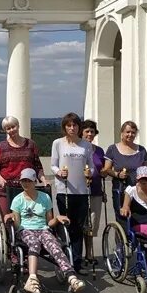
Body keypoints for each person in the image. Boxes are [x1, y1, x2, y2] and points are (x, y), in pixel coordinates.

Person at [4, 168, 85, 293]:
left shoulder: (45, 197)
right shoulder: (17, 200)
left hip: (43, 229)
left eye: (28, 181)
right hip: (25, 230)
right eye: (23, 181)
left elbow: (49, 222)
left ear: (35, 181)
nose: (25, 183)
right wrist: (11, 217)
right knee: (34, 243)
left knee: (55, 246)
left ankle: (72, 278)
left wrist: (57, 218)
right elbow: (18, 225)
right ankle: (32, 279)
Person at [50, 112, 94, 273]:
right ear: (64, 127)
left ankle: (76, 262)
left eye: (75, 125)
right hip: (64, 190)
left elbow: (91, 166)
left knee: (79, 228)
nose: (72, 128)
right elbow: (53, 165)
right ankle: (64, 260)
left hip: (82, 191)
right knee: (66, 226)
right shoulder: (58, 143)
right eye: (69, 125)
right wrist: (59, 172)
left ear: (79, 127)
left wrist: (91, 173)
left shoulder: (86, 145)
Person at [0, 115, 47, 219]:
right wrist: (0, 178)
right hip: (5, 189)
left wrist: (44, 180)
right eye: (8, 128)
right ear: (5, 130)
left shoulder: (31, 144)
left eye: (13, 126)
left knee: (26, 219)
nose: (12, 130)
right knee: (9, 220)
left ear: (18, 126)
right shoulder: (1, 146)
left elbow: (37, 166)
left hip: (25, 188)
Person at [81, 119, 107, 265]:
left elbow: (102, 169)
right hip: (80, 191)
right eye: (87, 131)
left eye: (92, 131)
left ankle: (89, 252)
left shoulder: (99, 150)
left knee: (93, 223)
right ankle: (79, 253)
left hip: (96, 190)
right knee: (82, 223)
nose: (90, 134)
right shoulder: (78, 149)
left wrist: (104, 173)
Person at [102, 120, 147, 195]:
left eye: (133, 132)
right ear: (122, 133)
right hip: (120, 190)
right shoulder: (112, 149)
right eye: (127, 132)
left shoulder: (141, 150)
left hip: (139, 191)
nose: (130, 134)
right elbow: (107, 169)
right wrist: (117, 174)